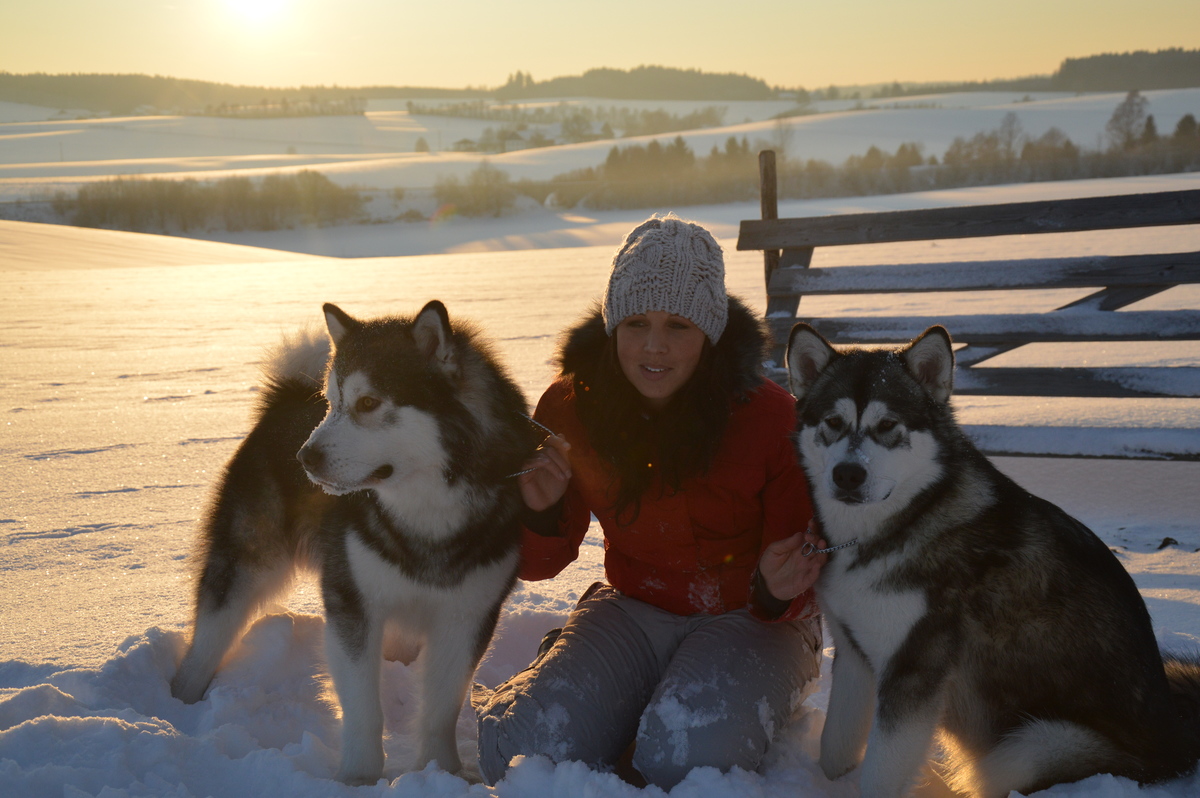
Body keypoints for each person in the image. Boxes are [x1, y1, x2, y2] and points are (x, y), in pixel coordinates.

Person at [473, 215, 827, 789]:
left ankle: (684, 700)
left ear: (710, 332)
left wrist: (776, 587)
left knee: (683, 761)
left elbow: (814, 566)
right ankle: (582, 673)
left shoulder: (772, 418)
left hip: (755, 619)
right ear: (613, 324)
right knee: (522, 754)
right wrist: (538, 511)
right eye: (636, 322)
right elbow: (540, 565)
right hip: (633, 606)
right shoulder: (569, 408)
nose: (653, 346)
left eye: (678, 326)